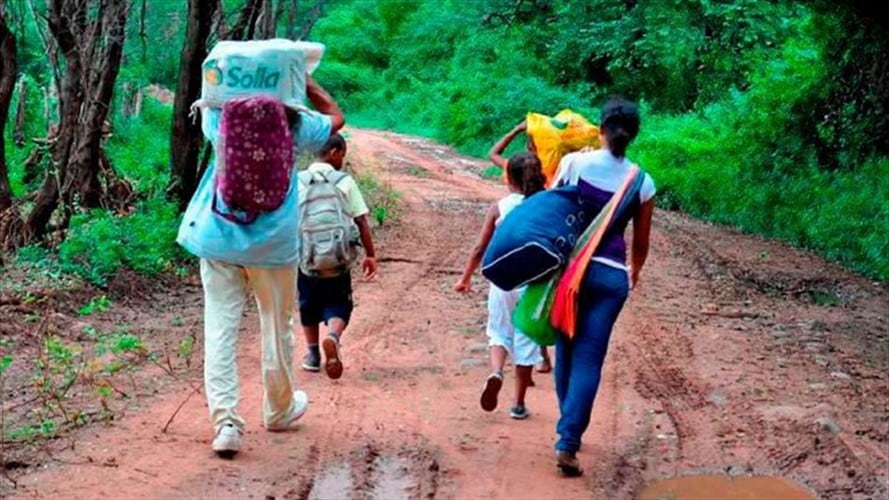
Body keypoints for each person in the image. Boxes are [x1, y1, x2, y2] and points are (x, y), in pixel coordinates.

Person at [176, 76, 345, 458]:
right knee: (276, 326)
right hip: (273, 244)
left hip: (219, 237)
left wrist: (226, 80)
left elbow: (208, 92)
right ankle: (279, 410)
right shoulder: (296, 126)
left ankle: (226, 425)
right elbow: (336, 116)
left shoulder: (222, 119)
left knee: (220, 328)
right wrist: (306, 81)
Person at [549, 96, 656, 476]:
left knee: (566, 348)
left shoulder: (574, 163)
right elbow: (640, 243)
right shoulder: (642, 183)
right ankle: (568, 437)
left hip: (571, 273)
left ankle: (569, 430)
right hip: (611, 277)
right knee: (590, 358)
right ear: (633, 136)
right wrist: (635, 271)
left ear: (600, 128)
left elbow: (552, 210)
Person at [454, 152, 547, 420]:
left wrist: (465, 278)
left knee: (498, 331)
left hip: (503, 280)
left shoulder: (500, 207)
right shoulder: (544, 205)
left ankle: (496, 372)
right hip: (534, 283)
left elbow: (480, 247)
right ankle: (518, 404)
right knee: (526, 337)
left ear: (509, 178)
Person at [298, 133, 378, 379]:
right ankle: (332, 336)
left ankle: (312, 354)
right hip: (338, 259)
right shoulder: (344, 181)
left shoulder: (298, 181)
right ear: (333, 152)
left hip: (307, 259)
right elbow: (361, 221)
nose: (343, 160)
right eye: (342, 154)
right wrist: (370, 255)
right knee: (339, 303)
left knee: (307, 304)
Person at [488, 122, 553, 376]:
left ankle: (513, 367)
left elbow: (493, 153)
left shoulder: (513, 169)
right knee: (531, 308)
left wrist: (514, 129)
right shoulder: (547, 179)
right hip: (536, 263)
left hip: (508, 263)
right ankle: (539, 360)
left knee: (504, 321)